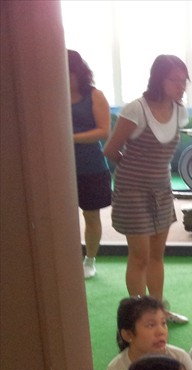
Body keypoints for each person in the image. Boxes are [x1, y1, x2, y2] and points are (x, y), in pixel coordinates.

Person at [103, 54, 190, 324]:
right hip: (132, 191)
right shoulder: (136, 110)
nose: (181, 86)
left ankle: (158, 311)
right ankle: (140, 316)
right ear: (158, 79)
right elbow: (110, 149)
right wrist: (134, 169)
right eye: (174, 80)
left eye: (184, 80)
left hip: (161, 189)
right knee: (139, 256)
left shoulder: (180, 111)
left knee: (157, 255)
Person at [68, 50, 112, 280]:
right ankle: (66, 257)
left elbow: (104, 131)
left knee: (91, 216)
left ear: (79, 72)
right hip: (59, 169)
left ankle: (90, 260)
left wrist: (69, 138)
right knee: (61, 218)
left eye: (69, 72)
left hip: (91, 167)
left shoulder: (95, 96)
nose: (65, 77)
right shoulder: (50, 96)